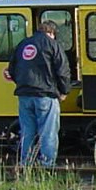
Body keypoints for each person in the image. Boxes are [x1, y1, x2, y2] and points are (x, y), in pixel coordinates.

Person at [8, 20, 71, 168]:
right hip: (46, 96)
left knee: (27, 131)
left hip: (24, 96)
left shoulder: (23, 44)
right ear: (52, 33)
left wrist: (23, 85)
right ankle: (47, 165)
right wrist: (64, 91)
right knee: (47, 132)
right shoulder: (52, 45)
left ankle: (26, 163)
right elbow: (63, 70)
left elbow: (12, 69)